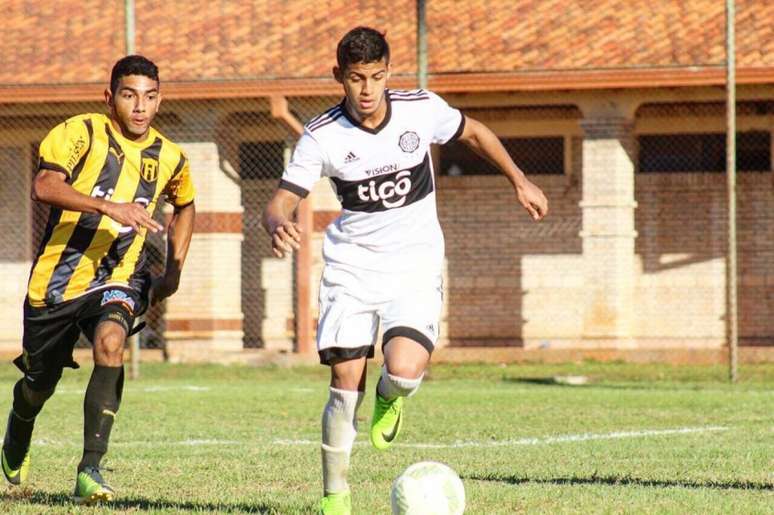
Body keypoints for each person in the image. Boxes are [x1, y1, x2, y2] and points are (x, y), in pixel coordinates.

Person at [263, 27, 548, 514]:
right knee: (344, 379)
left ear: (389, 73)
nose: (368, 89)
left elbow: (476, 132)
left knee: (404, 369)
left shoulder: (420, 109)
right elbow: (282, 200)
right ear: (340, 78)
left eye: (376, 76)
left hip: (413, 266)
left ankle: (391, 396)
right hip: (351, 271)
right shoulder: (322, 135)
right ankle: (335, 496)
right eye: (356, 79)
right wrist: (276, 221)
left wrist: (519, 180)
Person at [1, 55, 196, 505]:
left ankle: (90, 468)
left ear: (159, 99)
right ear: (110, 97)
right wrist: (109, 206)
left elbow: (185, 204)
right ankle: (19, 424)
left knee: (111, 341)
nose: (140, 106)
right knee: (38, 384)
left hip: (119, 276)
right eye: (129, 95)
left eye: (149, 97)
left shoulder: (170, 156)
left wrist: (174, 271)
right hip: (54, 284)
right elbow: (45, 186)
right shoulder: (81, 132)